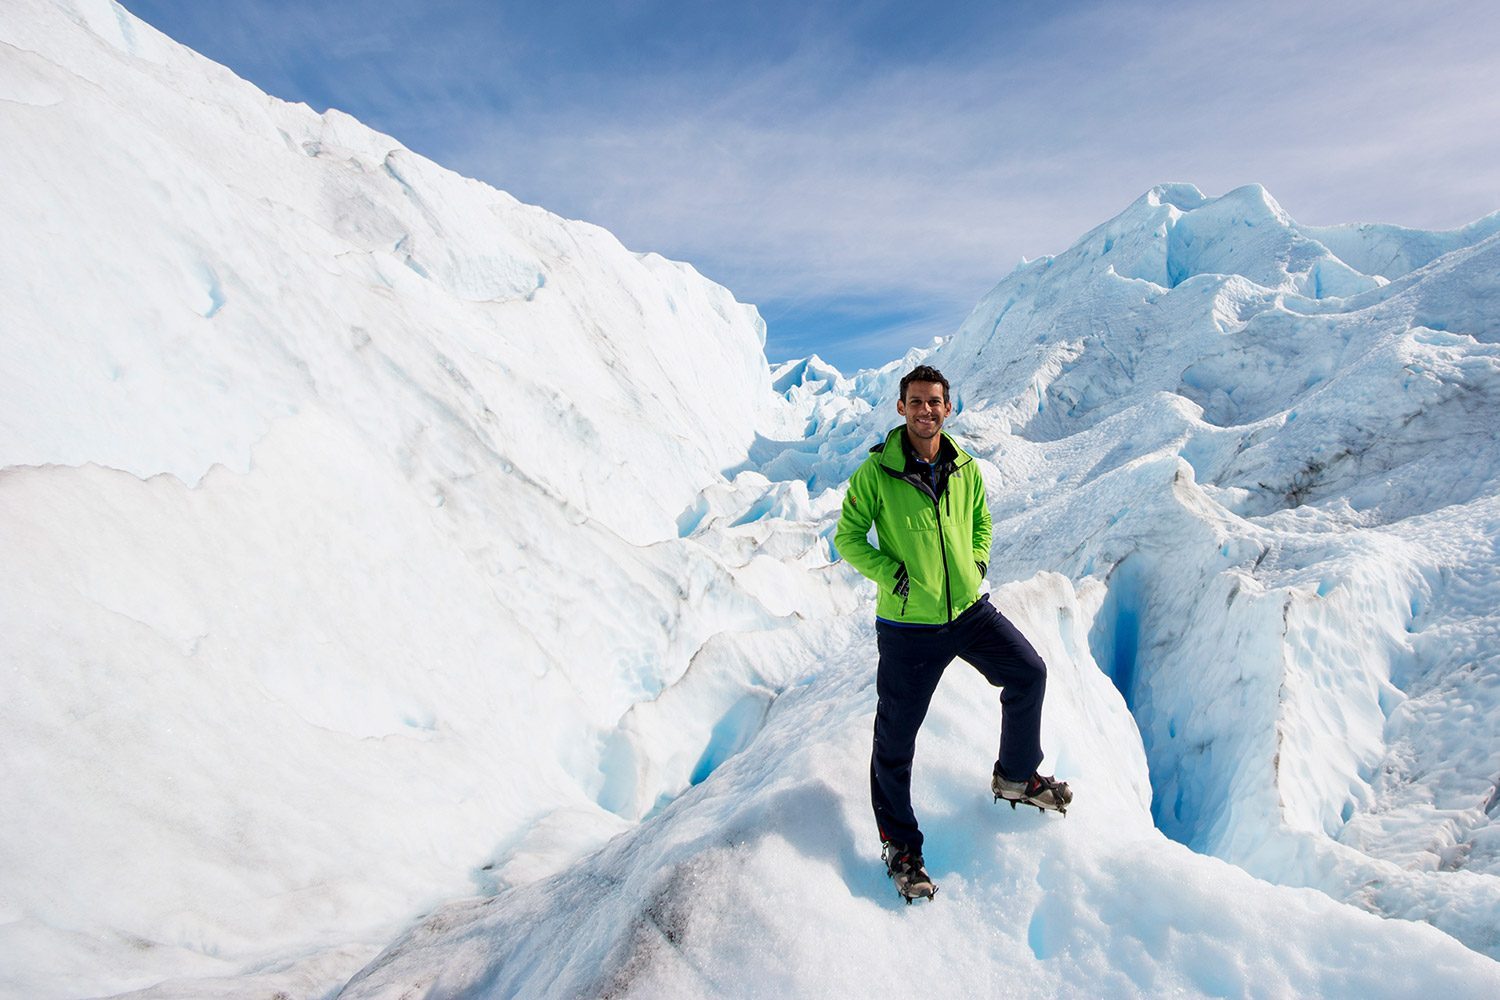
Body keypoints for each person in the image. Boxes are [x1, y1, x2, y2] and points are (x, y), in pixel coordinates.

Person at [833, 364, 1072, 903]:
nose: (926, 410)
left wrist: (978, 559)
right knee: (895, 742)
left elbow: (982, 519)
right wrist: (890, 572)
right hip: (908, 626)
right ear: (901, 408)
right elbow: (847, 536)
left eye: (935, 402)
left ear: (948, 407)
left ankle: (1015, 775)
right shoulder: (876, 474)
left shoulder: (965, 467)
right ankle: (902, 846)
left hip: (967, 610)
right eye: (916, 402)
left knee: (1028, 673)